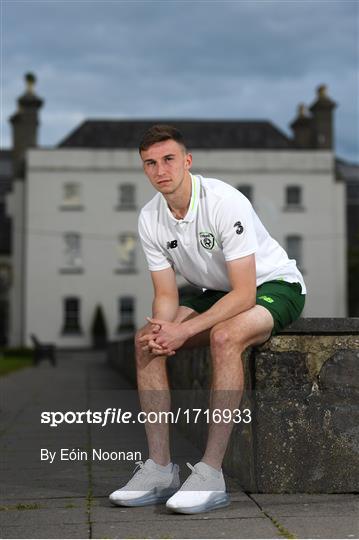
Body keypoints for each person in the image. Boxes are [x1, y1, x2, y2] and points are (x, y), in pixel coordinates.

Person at [109, 124, 306, 514]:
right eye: (150, 163)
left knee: (225, 337)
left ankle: (210, 474)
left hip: (273, 285)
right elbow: (166, 295)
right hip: (217, 290)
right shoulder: (150, 218)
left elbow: (245, 293)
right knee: (145, 340)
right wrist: (164, 331)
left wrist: (184, 330)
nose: (160, 170)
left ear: (187, 161)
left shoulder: (222, 201)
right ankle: (160, 469)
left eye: (168, 159)